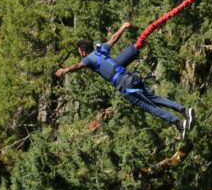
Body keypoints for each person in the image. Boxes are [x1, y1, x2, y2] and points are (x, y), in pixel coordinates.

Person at [56, 22, 195, 139]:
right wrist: (123, 26)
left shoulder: (87, 59)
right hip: (131, 77)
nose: (80, 54)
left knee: (150, 107)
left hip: (124, 84)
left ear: (82, 51)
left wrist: (66, 69)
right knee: (155, 98)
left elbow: (78, 66)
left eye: (79, 52)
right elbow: (113, 39)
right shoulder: (99, 49)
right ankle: (183, 110)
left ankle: (178, 123)